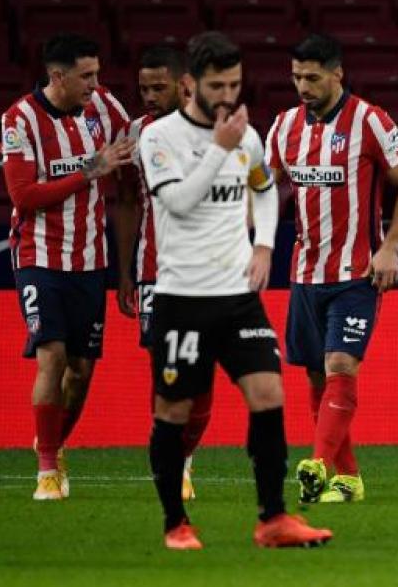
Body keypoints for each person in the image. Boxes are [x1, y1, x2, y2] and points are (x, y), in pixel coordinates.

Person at [139, 31, 331, 549]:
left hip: (236, 293)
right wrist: (217, 150)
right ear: (189, 85)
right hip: (182, 297)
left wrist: (265, 245)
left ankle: (273, 519)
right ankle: (175, 524)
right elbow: (177, 204)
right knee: (174, 412)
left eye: (235, 84)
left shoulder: (247, 137)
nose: (228, 95)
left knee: (269, 393)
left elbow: (265, 189)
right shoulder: (160, 138)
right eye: (217, 85)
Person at [264, 33, 398, 505]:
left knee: (339, 364)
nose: (302, 86)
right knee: (317, 376)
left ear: (337, 74)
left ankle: (315, 463)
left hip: (358, 272)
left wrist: (391, 247)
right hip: (304, 273)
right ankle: (348, 478)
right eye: (296, 77)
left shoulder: (370, 121)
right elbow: (263, 186)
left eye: (312, 77)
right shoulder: (284, 126)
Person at [0, 33, 132, 501]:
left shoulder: (103, 109)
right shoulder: (19, 119)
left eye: (97, 74)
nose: (96, 85)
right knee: (52, 356)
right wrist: (89, 172)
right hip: (39, 255)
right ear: (58, 77)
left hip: (91, 259)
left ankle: (51, 441)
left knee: (81, 371)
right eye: (87, 76)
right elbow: (23, 196)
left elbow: (136, 140)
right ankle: (47, 471)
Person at [116, 45, 210, 503]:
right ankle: (177, 464)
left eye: (159, 87)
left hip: (210, 274)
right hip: (156, 272)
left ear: (183, 84)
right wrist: (125, 271)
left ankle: (185, 454)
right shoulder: (135, 134)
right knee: (168, 371)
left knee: (203, 375)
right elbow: (130, 202)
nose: (150, 96)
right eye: (143, 88)